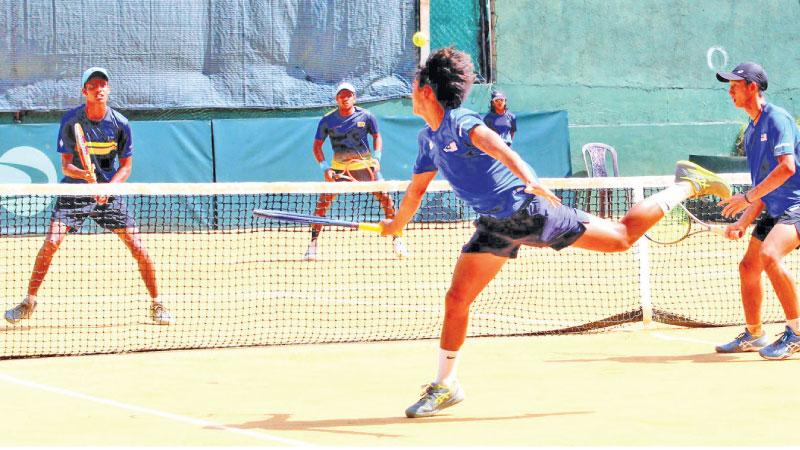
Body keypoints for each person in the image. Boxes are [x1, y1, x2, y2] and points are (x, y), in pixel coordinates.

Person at [379, 47, 732, 418]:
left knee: (622, 238)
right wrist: (396, 226)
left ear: (428, 91)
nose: (410, 91)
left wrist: (533, 181)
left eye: (415, 84)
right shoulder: (428, 139)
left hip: (530, 211)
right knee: (457, 299)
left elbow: (502, 151)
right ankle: (446, 384)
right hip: (494, 226)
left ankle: (687, 185)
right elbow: (416, 191)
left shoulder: (462, 122)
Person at [4, 67, 172, 326]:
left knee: (138, 247)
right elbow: (66, 166)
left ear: (109, 89)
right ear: (84, 91)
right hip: (75, 191)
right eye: (93, 85)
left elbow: (126, 167)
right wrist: (85, 176)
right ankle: (29, 302)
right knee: (51, 242)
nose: (99, 89)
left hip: (109, 194)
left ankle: (158, 303)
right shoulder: (71, 121)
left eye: (103, 84)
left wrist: (108, 188)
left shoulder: (121, 124)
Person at [715, 62, 800, 360]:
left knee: (770, 255)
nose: (730, 92)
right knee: (749, 266)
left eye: (735, 86)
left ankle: (797, 334)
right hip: (775, 207)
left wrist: (747, 198)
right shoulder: (751, 133)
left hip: (797, 205)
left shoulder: (777, 119)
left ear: (753, 87)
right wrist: (743, 220)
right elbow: (762, 188)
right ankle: (754, 334)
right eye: (729, 87)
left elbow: (787, 168)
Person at [303, 81, 409, 260]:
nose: (345, 98)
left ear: (354, 97)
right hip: (339, 171)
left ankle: (397, 240)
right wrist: (325, 167)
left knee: (386, 200)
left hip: (366, 168)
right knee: (322, 205)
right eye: (341, 95)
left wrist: (377, 158)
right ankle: (312, 244)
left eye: (348, 95)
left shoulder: (367, 116)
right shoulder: (327, 120)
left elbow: (377, 136)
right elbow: (317, 146)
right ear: (337, 98)